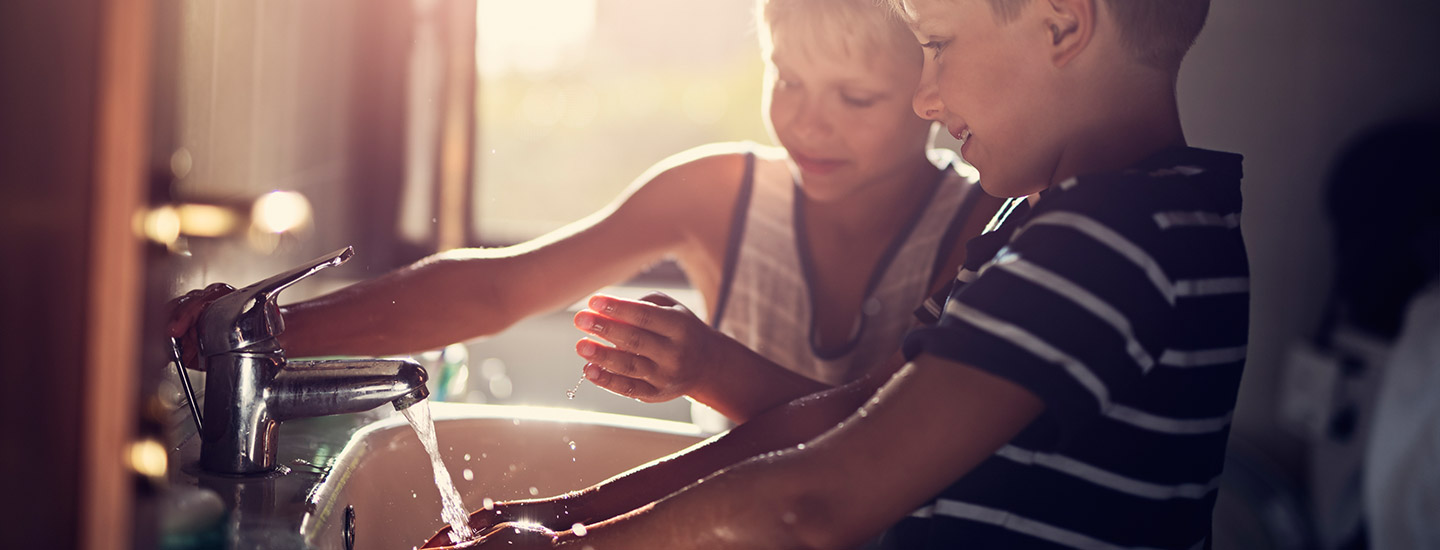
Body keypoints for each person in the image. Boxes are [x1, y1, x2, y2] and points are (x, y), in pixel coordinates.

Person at [425, 0, 1246, 547]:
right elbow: (841, 422)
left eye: (937, 46)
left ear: (1063, 26)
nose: (923, 98)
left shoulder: (1106, 242)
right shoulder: (1061, 223)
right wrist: (557, 519)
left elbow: (813, 498)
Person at [167, 0, 1001, 426]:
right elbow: (497, 291)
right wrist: (274, 332)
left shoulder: (979, 224)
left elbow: (884, 435)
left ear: (932, 92)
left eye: (855, 98)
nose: (807, 122)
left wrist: (710, 368)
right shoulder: (720, 193)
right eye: (787, 80)